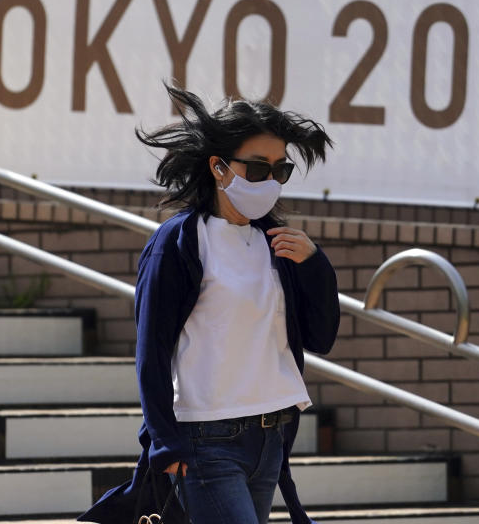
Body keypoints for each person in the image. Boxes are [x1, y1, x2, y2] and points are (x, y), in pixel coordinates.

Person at [78, 84, 340, 524]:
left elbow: (321, 337)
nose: (271, 181)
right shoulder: (178, 243)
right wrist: (165, 440)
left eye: (281, 170)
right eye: (257, 169)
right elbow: (152, 351)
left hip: (270, 437)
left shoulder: (277, 245)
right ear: (218, 168)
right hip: (206, 441)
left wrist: (315, 266)